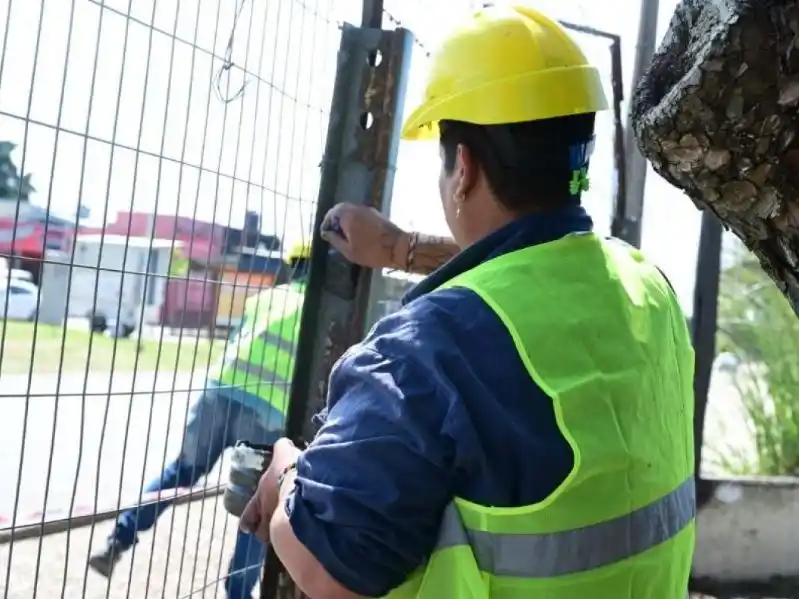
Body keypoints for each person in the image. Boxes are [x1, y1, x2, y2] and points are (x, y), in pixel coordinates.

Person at [239, 6, 696, 599]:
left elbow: (333, 572)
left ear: (463, 168)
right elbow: (535, 260)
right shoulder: (647, 288)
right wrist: (401, 248)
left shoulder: (430, 347)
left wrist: (284, 477)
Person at [88, 242, 311, 599]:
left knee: (182, 471)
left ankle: (118, 540)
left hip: (218, 394)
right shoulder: (315, 310)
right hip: (266, 414)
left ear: (292, 266)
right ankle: (238, 592)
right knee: (259, 502)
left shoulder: (265, 299)